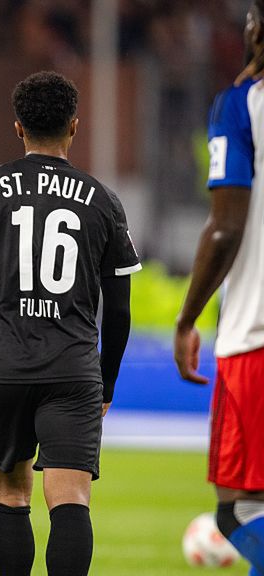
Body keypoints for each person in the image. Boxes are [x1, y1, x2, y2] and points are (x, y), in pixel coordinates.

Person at [0, 71, 139, 576]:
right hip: (72, 372)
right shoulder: (102, 200)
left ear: (18, 128)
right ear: (74, 126)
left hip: (4, 368)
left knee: (8, 495)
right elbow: (118, 309)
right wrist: (106, 381)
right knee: (70, 498)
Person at [174, 2, 264, 573]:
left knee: (237, 512)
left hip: (255, 335)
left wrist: (187, 318)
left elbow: (227, 225)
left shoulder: (241, 107)